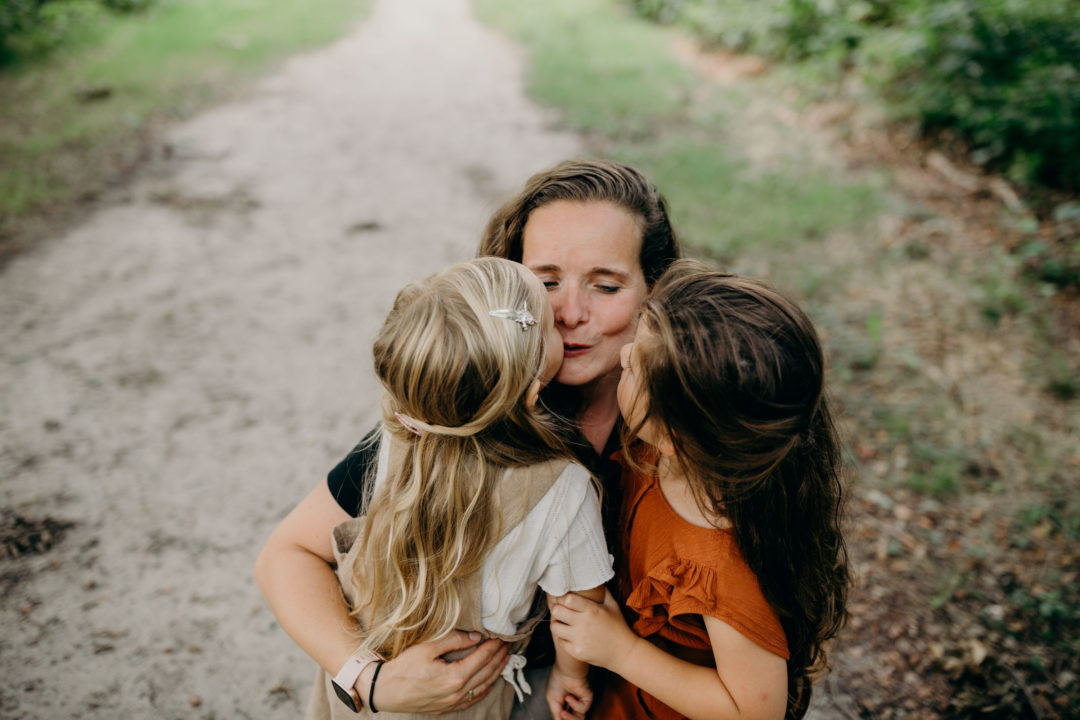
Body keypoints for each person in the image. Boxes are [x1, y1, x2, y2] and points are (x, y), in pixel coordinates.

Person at [255, 159, 681, 717]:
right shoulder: (447, 418)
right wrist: (370, 678)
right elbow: (286, 555)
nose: (570, 313)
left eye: (605, 285)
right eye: (546, 282)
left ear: (657, 289)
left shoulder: (683, 426)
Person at [290, 257, 613, 719]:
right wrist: (570, 675)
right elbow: (578, 610)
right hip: (468, 700)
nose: (563, 317)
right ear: (529, 392)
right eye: (548, 321)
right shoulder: (563, 489)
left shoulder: (395, 442)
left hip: (359, 704)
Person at [549, 261, 850, 720]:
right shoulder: (663, 449)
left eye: (636, 366)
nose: (625, 354)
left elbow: (754, 712)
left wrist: (621, 651)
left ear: (675, 436)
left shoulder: (722, 567)